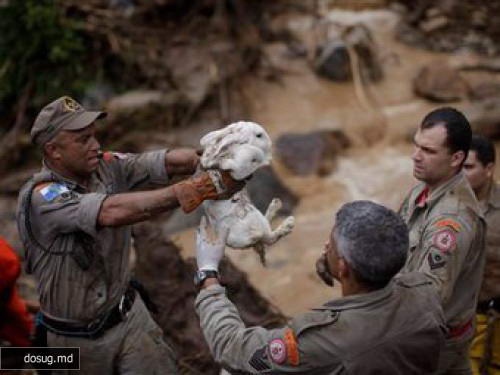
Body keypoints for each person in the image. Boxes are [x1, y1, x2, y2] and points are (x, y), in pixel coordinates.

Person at [16, 96, 244, 374]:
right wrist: (198, 189)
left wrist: (213, 158)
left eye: (94, 136)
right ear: (54, 151)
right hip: (72, 342)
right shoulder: (43, 197)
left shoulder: (106, 166)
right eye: (83, 140)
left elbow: (161, 163)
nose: (95, 146)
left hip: (128, 318)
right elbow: (110, 212)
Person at [195, 200, 446, 374]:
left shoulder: (324, 340)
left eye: (332, 244)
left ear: (344, 267)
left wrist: (208, 273)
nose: (326, 245)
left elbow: (232, 348)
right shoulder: (425, 291)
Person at [398, 107, 486, 374]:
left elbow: (427, 299)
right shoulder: (425, 188)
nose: (416, 156)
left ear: (456, 158)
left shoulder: (452, 221)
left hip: (433, 345)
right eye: (416, 146)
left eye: (429, 150)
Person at [463, 134, 500, 375]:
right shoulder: (444, 205)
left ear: (488, 169)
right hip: (460, 318)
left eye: (468, 167)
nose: (460, 174)